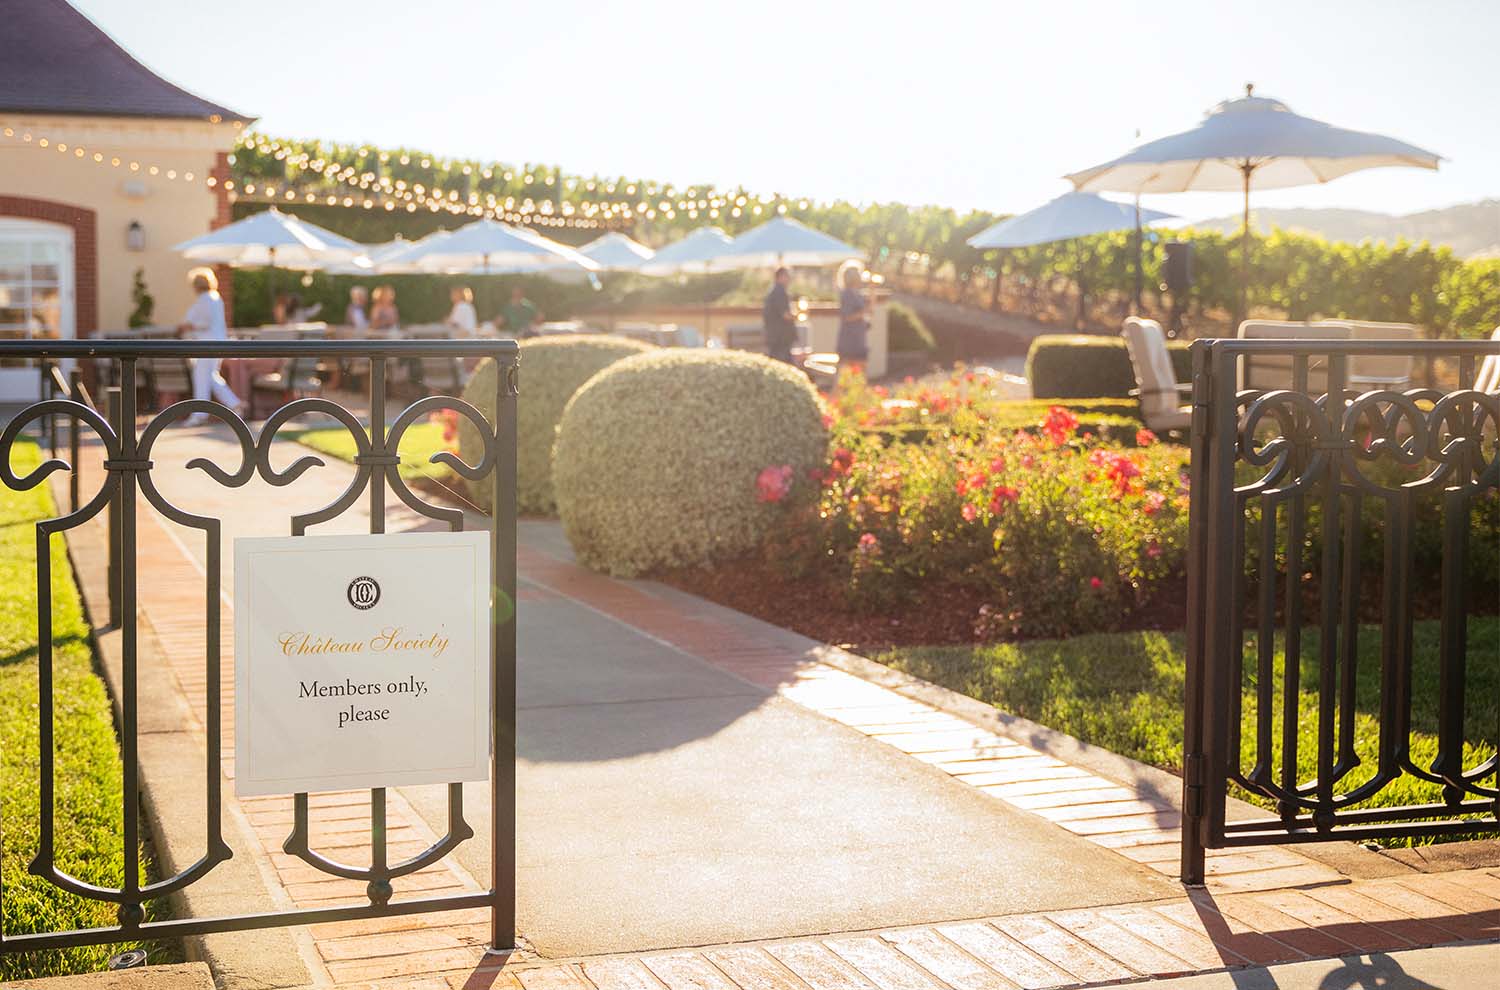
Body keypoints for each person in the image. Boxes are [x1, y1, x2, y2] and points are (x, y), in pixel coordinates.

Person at [175, 267, 242, 425]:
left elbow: (203, 323)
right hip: (217, 342)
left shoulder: (205, 300)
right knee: (210, 376)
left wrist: (189, 326)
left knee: (200, 377)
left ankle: (199, 414)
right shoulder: (216, 298)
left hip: (207, 344)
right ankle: (234, 404)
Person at [836, 261, 873, 371]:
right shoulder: (847, 294)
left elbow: (870, 309)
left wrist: (872, 289)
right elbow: (847, 317)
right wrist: (863, 312)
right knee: (845, 372)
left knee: (859, 371)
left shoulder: (858, 293)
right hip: (849, 340)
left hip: (859, 338)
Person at [762, 267, 796, 363]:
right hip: (780, 338)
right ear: (781, 277)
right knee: (783, 363)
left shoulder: (773, 291)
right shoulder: (779, 292)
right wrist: (798, 315)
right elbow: (785, 315)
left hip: (775, 337)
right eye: (787, 276)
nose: (789, 279)